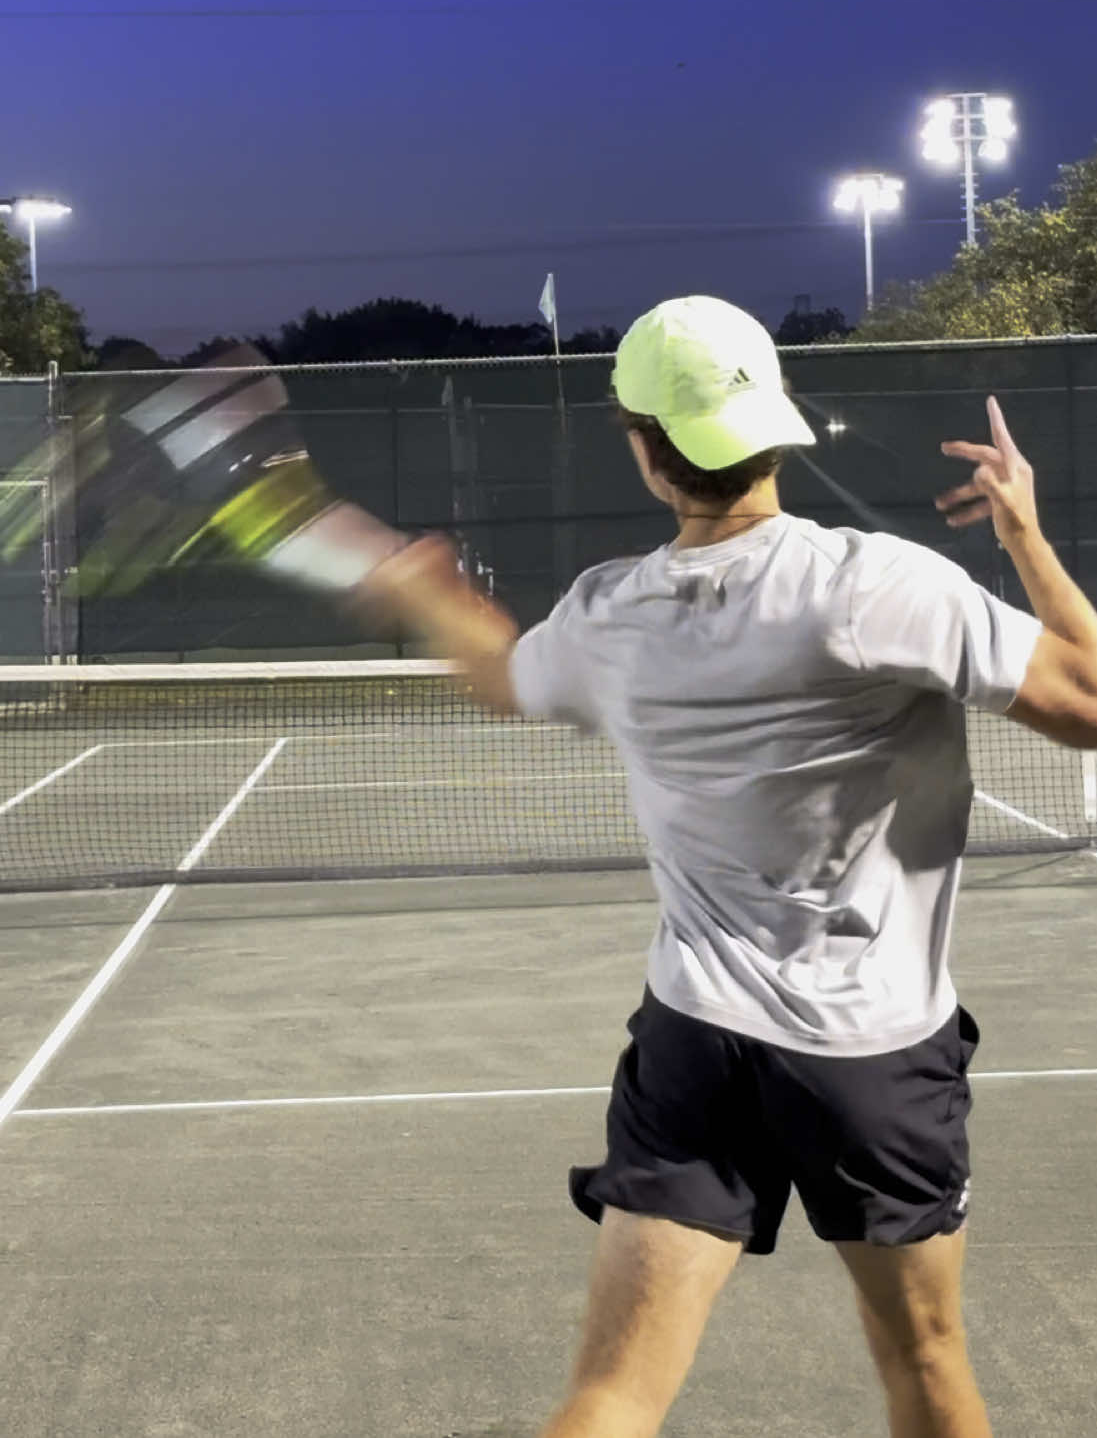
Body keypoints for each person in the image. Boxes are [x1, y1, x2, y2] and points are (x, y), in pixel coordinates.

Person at [359, 295, 1097, 1438]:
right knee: (927, 1367)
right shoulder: (876, 585)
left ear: (649, 457)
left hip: (695, 1045)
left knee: (613, 1394)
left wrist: (425, 593)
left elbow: (502, 675)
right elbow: (1090, 705)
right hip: (876, 1058)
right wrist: (1023, 536)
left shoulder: (611, 616)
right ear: (773, 423)